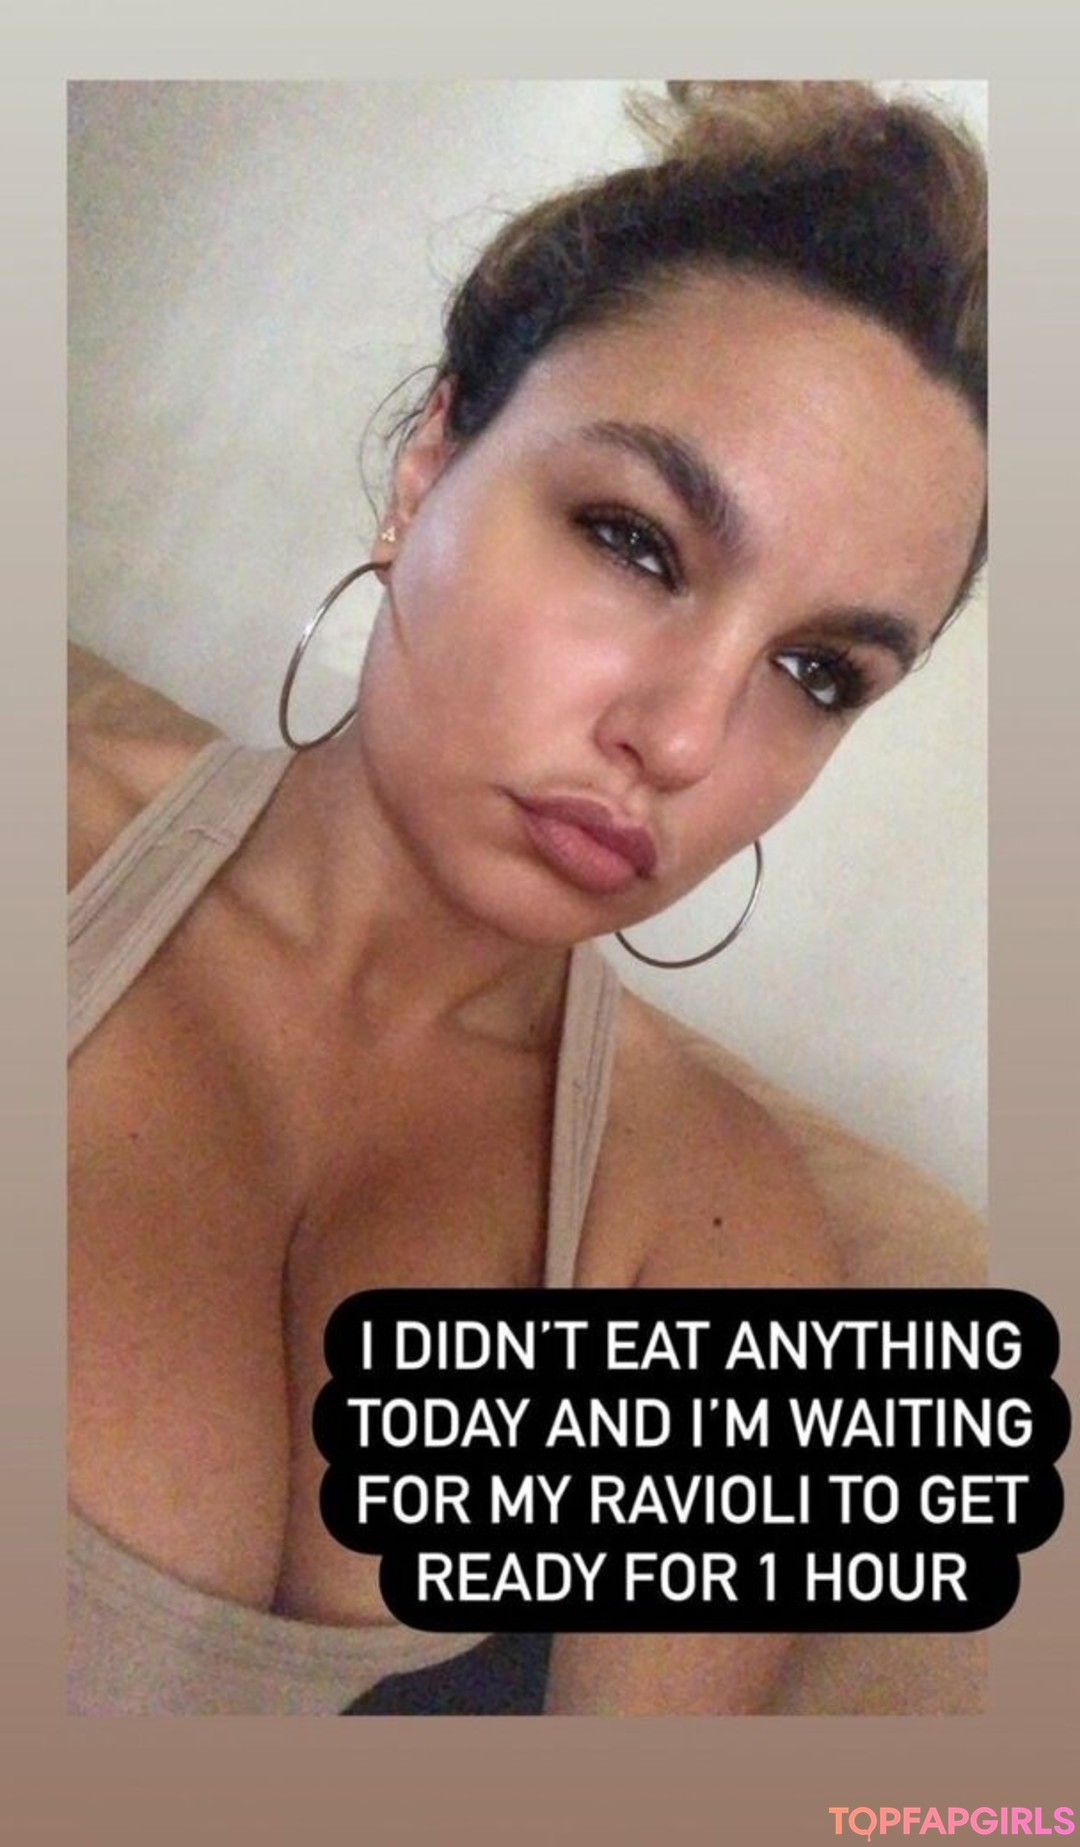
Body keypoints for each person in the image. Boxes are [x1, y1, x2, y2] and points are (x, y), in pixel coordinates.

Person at [67, 79, 987, 1716]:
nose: (686, 739)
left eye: (818, 673)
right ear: (430, 463)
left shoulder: (713, 1236)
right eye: (635, 542)